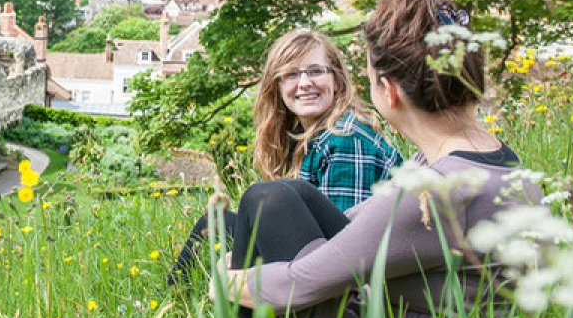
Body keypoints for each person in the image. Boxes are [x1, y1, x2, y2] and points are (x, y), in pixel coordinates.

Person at [213, 0, 544, 318]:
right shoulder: (489, 160)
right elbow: (359, 228)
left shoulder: (436, 192)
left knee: (269, 200)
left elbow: (302, 282)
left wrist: (228, 281)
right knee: (289, 195)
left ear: (388, 90)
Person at [167, 29, 401, 284]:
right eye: (291, 74)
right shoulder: (305, 138)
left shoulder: (345, 139)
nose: (304, 83)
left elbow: (342, 253)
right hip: (320, 259)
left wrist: (244, 265)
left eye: (315, 71)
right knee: (216, 222)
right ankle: (177, 301)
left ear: (336, 80)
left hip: (364, 286)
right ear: (277, 86)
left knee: (261, 201)